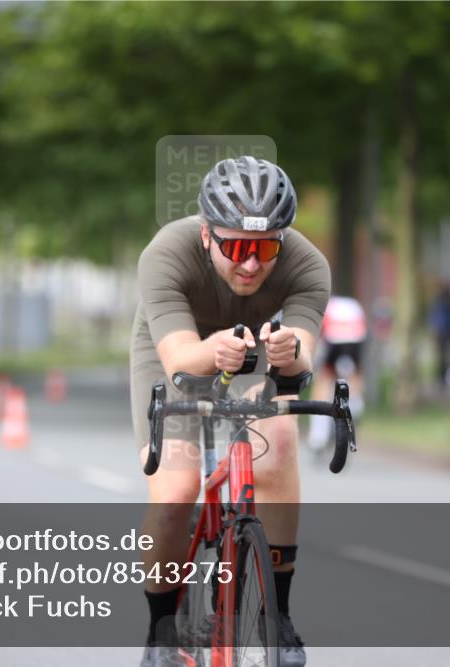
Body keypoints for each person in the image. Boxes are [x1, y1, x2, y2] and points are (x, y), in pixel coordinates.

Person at [131, 156, 330, 667]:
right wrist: (212, 348)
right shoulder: (166, 254)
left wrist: (291, 352)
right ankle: (160, 630)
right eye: (236, 247)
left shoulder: (307, 265)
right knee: (176, 490)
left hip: (255, 348)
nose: (250, 263)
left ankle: (278, 619)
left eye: (264, 249)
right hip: (177, 349)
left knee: (280, 441)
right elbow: (178, 360)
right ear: (205, 236)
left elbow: (302, 361)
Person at [306, 296, 367, 457]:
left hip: (333, 335)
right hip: (356, 336)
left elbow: (316, 336)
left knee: (324, 379)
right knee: (354, 375)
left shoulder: (322, 306)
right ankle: (355, 404)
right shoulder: (353, 305)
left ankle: (318, 436)